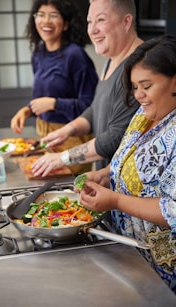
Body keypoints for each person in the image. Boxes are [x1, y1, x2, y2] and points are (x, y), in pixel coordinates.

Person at [78, 35, 176, 293]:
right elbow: (127, 158)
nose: (139, 95)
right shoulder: (143, 114)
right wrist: (104, 174)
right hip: (130, 255)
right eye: (134, 87)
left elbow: (173, 210)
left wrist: (115, 201)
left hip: (165, 271)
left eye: (146, 85)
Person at [31, 0, 141, 178]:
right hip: (107, 179)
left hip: (128, 185)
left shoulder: (139, 66)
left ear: (126, 22)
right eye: (90, 22)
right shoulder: (111, 60)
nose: (92, 30)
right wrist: (68, 130)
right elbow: (95, 109)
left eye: (101, 20)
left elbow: (116, 136)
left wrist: (63, 157)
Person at [11, 0, 98, 175]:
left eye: (53, 15)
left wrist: (55, 104)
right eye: (41, 15)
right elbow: (46, 95)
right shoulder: (38, 53)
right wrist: (28, 110)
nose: (46, 21)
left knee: (69, 193)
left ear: (66, 24)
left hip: (73, 139)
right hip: (43, 134)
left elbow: (91, 106)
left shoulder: (76, 55)